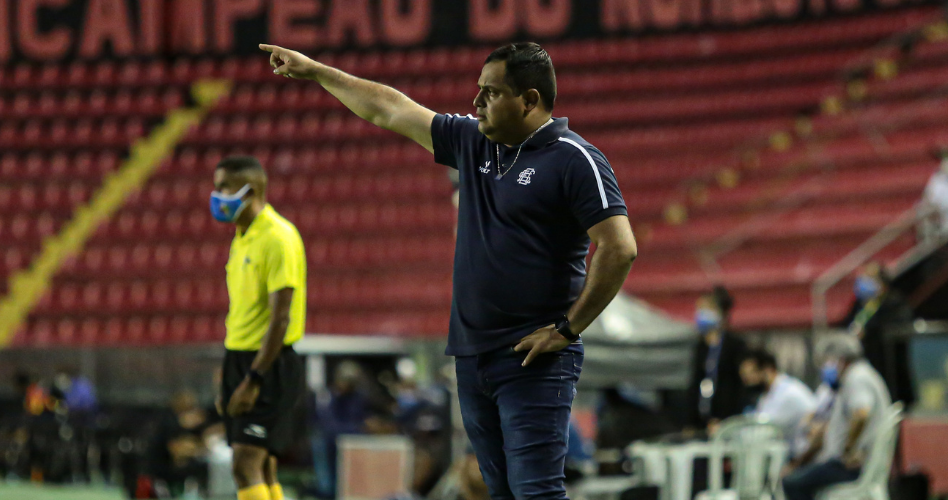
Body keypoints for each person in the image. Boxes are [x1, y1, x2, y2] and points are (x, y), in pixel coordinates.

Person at [259, 41, 637, 500]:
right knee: (497, 491)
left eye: (491, 93)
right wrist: (319, 72)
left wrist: (566, 330)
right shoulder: (473, 141)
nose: (476, 102)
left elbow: (619, 248)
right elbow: (389, 109)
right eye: (479, 90)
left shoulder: (574, 158)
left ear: (529, 100)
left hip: (534, 359)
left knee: (536, 492)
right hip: (472, 355)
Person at [212, 156, 307, 500]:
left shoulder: (278, 237)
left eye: (223, 186)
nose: (216, 194)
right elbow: (242, 313)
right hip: (240, 359)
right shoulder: (242, 236)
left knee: (244, 463)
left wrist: (253, 379)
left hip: (268, 365)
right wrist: (228, 371)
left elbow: (280, 317)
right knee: (262, 465)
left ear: (250, 190)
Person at [782, 336, 892, 500]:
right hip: (852, 462)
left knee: (792, 483)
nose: (826, 368)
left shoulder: (857, 377)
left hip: (851, 466)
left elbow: (861, 414)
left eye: (827, 361)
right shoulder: (857, 376)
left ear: (840, 359)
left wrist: (848, 450)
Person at [845, 262, 916, 407]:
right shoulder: (860, 304)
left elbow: (898, 327)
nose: (864, 282)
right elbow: (847, 323)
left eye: (869, 278)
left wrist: (868, 331)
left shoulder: (894, 302)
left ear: (881, 282)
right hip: (865, 364)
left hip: (888, 367)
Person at [687, 286, 748, 433]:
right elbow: (695, 383)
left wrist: (725, 419)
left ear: (720, 312)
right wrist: (691, 422)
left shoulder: (735, 346)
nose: (700, 314)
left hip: (728, 422)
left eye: (705, 309)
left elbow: (738, 387)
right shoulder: (700, 347)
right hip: (703, 422)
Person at [310, 361, 369, 499]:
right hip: (328, 441)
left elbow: (359, 418)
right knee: (328, 483)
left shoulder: (357, 397)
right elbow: (330, 426)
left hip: (348, 445)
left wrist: (366, 427)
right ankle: (326, 491)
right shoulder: (327, 396)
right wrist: (359, 428)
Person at [738, 348, 816, 444]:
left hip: (803, 455)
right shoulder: (768, 394)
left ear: (768, 369)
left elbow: (763, 433)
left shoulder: (788, 394)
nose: (749, 381)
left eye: (752, 374)